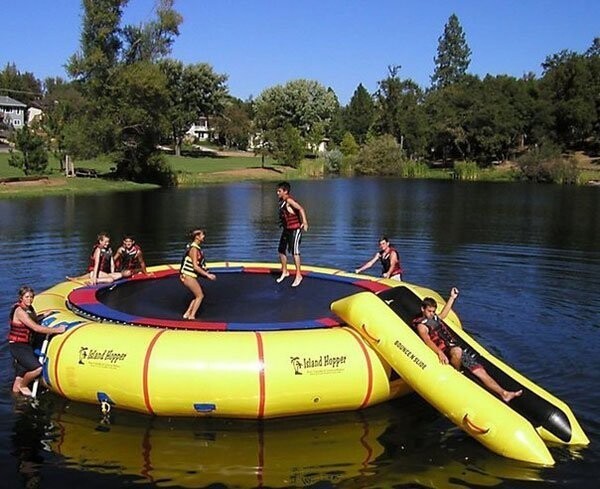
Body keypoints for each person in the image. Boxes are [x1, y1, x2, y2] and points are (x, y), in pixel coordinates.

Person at [412, 287, 523, 403]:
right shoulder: (422, 325)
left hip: (454, 348)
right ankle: (456, 373)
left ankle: (504, 393)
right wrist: (439, 352)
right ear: (422, 309)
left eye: (433, 311)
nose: (432, 314)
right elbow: (427, 340)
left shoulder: (434, 318)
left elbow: (443, 314)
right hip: (446, 351)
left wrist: (452, 298)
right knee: (457, 351)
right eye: (429, 311)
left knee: (480, 371)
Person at [8, 286, 66, 397]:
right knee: (37, 368)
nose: (29, 299)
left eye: (31, 297)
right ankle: (24, 386)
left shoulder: (29, 309)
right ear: (21, 298)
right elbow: (36, 328)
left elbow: (32, 320)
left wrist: (45, 315)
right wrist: (57, 330)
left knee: (20, 375)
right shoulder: (20, 311)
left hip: (26, 345)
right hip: (18, 346)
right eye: (26, 297)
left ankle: (15, 400)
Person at [276, 181, 309, 287]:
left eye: (279, 191)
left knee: (295, 252)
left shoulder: (289, 200)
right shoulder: (282, 202)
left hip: (295, 230)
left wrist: (304, 222)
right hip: (287, 230)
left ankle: (298, 275)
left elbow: (301, 209)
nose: (277, 193)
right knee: (281, 250)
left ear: (285, 191)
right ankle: (285, 271)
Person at [179, 228, 216, 320]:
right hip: (188, 275)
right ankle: (192, 316)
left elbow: (197, 264)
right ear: (197, 237)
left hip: (189, 275)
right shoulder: (194, 249)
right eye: (202, 235)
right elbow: (195, 266)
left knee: (197, 295)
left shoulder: (196, 248)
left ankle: (187, 314)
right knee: (200, 296)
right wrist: (207, 275)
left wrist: (204, 269)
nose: (204, 237)